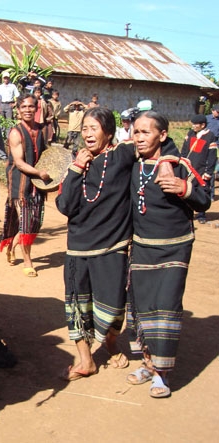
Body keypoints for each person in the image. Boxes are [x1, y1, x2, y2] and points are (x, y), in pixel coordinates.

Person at [126, 111, 210, 398]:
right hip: (141, 246)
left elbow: (204, 200)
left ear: (162, 135)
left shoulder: (180, 165)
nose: (139, 138)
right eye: (136, 131)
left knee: (166, 306)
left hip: (174, 246)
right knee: (143, 306)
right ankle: (148, 364)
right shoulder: (134, 163)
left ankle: (162, 375)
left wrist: (185, 188)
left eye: (145, 132)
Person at [56, 108, 136, 381]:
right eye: (85, 128)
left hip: (112, 245)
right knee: (78, 305)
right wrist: (77, 168)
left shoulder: (121, 154)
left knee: (114, 305)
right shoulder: (76, 163)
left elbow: (155, 140)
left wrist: (166, 160)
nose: (88, 133)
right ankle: (85, 359)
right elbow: (65, 205)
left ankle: (111, 343)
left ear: (109, 132)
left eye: (94, 128)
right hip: (78, 247)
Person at [0, 94, 50, 276]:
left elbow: (47, 154)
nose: (28, 110)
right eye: (24, 107)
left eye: (31, 107)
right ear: (18, 110)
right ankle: (28, 262)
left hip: (38, 182)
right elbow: (19, 163)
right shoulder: (16, 132)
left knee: (35, 222)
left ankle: (12, 245)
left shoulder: (42, 129)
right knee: (26, 222)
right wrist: (39, 173)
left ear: (36, 109)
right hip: (20, 182)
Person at [180, 114, 217, 223]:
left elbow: (212, 157)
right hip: (189, 169)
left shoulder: (210, 136)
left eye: (195, 124)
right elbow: (184, 151)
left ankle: (201, 214)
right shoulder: (190, 134)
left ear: (202, 125)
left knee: (202, 192)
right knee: (187, 191)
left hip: (201, 171)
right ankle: (187, 213)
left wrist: (208, 172)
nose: (193, 126)